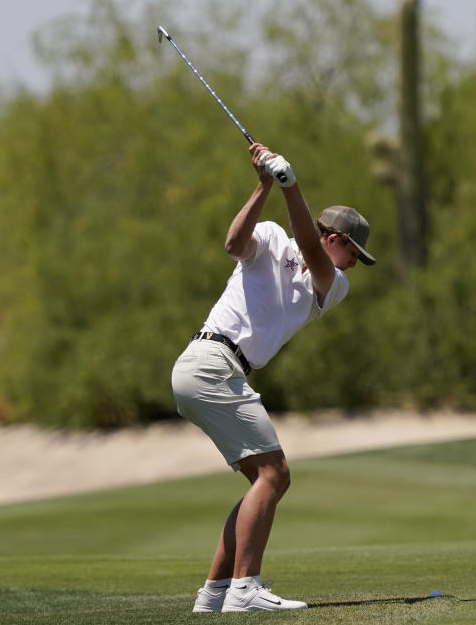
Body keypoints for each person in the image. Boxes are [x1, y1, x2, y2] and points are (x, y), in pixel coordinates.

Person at [171, 142, 376, 613]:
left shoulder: (331, 284)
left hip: (218, 370)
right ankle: (245, 589)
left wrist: (292, 186)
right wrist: (266, 186)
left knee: (263, 480)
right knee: (275, 473)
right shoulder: (269, 237)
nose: (353, 265)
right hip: (208, 361)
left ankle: (214, 593)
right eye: (354, 252)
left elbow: (309, 250)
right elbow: (232, 244)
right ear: (337, 238)